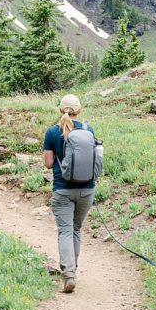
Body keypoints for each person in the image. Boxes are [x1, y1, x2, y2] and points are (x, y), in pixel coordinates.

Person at [42, 94, 96, 294]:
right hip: (87, 189)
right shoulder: (88, 129)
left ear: (60, 110)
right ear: (79, 111)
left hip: (63, 190)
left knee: (65, 231)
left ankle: (69, 275)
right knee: (75, 229)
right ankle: (73, 271)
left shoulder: (52, 132)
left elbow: (48, 163)